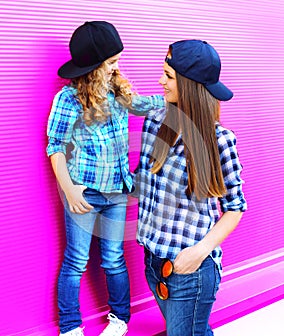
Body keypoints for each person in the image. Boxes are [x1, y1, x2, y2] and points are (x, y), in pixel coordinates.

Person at [46, 21, 164, 336]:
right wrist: (69, 191)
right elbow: (55, 147)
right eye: (111, 63)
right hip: (83, 194)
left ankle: (120, 319)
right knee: (76, 261)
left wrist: (179, 97)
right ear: (95, 66)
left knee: (113, 260)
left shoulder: (118, 92)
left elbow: (143, 105)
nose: (116, 68)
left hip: (117, 194)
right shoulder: (67, 100)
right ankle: (70, 326)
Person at [133, 39, 247, 336]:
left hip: (191, 269)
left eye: (168, 76)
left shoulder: (220, 141)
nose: (161, 81)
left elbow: (235, 209)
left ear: (189, 85)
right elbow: (143, 182)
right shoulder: (155, 122)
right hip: (153, 261)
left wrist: (198, 252)